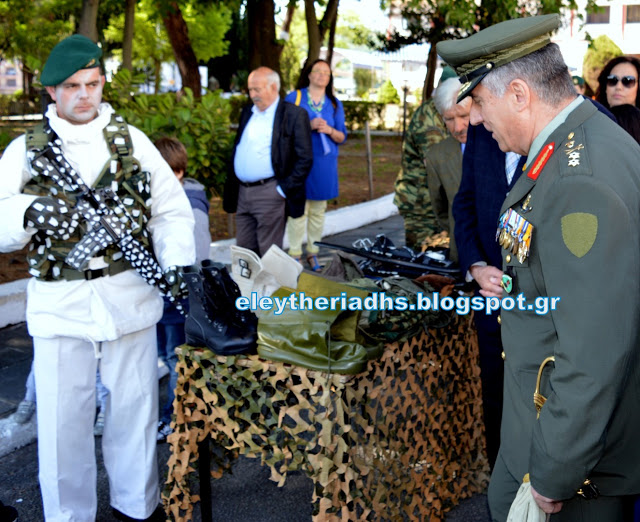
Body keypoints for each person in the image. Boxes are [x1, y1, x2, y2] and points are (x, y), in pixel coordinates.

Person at [439, 14, 640, 521]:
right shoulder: (568, 147)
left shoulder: (579, 183)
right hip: (543, 418)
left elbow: (595, 348)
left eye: (479, 102)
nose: (477, 120)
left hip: (571, 455)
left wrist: (555, 468)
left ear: (520, 94)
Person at [0, 34, 195, 522]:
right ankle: (68, 515)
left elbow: (170, 211)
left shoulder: (132, 142)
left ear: (102, 82)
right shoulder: (25, 150)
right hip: (60, 303)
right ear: (51, 91)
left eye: (92, 83)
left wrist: (175, 266)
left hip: (128, 293)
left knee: (134, 410)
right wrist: (31, 212)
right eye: (72, 86)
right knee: (64, 421)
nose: (84, 94)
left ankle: (136, 506)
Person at [452, 123, 526, 472]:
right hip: (488, 297)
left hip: (539, 305)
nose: (473, 115)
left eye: (480, 100)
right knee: (496, 397)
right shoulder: (482, 132)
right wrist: (477, 266)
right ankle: (503, 486)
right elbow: (465, 200)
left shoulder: (558, 133)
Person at [154, 136, 211, 441]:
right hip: (164, 296)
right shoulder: (167, 197)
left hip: (181, 296)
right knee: (167, 355)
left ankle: (174, 418)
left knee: (177, 358)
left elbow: (198, 254)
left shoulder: (189, 203)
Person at [223, 66, 313, 257]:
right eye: (250, 90)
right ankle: (249, 288)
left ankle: (272, 288)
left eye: (257, 89)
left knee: (269, 254)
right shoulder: (248, 112)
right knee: (244, 253)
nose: (252, 94)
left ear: (273, 88)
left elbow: (304, 158)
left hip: (269, 193)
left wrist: (281, 190)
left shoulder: (294, 115)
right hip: (243, 192)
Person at [284, 59, 347, 271]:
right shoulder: (295, 98)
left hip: (324, 164)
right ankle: (294, 253)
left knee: (319, 211)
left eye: (326, 73)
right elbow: (282, 128)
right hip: (299, 163)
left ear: (329, 79)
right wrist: (307, 125)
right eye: (317, 71)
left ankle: (313, 252)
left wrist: (329, 130)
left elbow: (341, 136)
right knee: (298, 210)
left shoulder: (335, 103)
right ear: (309, 74)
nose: (321, 75)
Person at [393, 66, 457, 250]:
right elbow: (438, 163)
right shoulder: (428, 118)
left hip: (433, 201)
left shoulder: (442, 112)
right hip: (421, 204)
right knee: (423, 257)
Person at [424, 76, 471, 262]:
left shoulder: (505, 145)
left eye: (463, 116)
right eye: (449, 119)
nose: (458, 127)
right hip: (463, 256)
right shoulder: (438, 156)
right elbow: (441, 209)